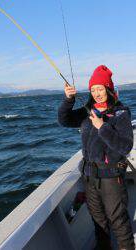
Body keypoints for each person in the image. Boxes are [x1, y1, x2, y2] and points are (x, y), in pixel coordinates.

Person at [58, 65, 135, 250]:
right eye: (93, 89)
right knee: (98, 222)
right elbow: (64, 120)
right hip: (90, 178)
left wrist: (102, 127)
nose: (97, 93)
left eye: (100, 88)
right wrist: (68, 100)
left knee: (119, 222)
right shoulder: (87, 111)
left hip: (111, 179)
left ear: (109, 89)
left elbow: (125, 146)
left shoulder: (121, 113)